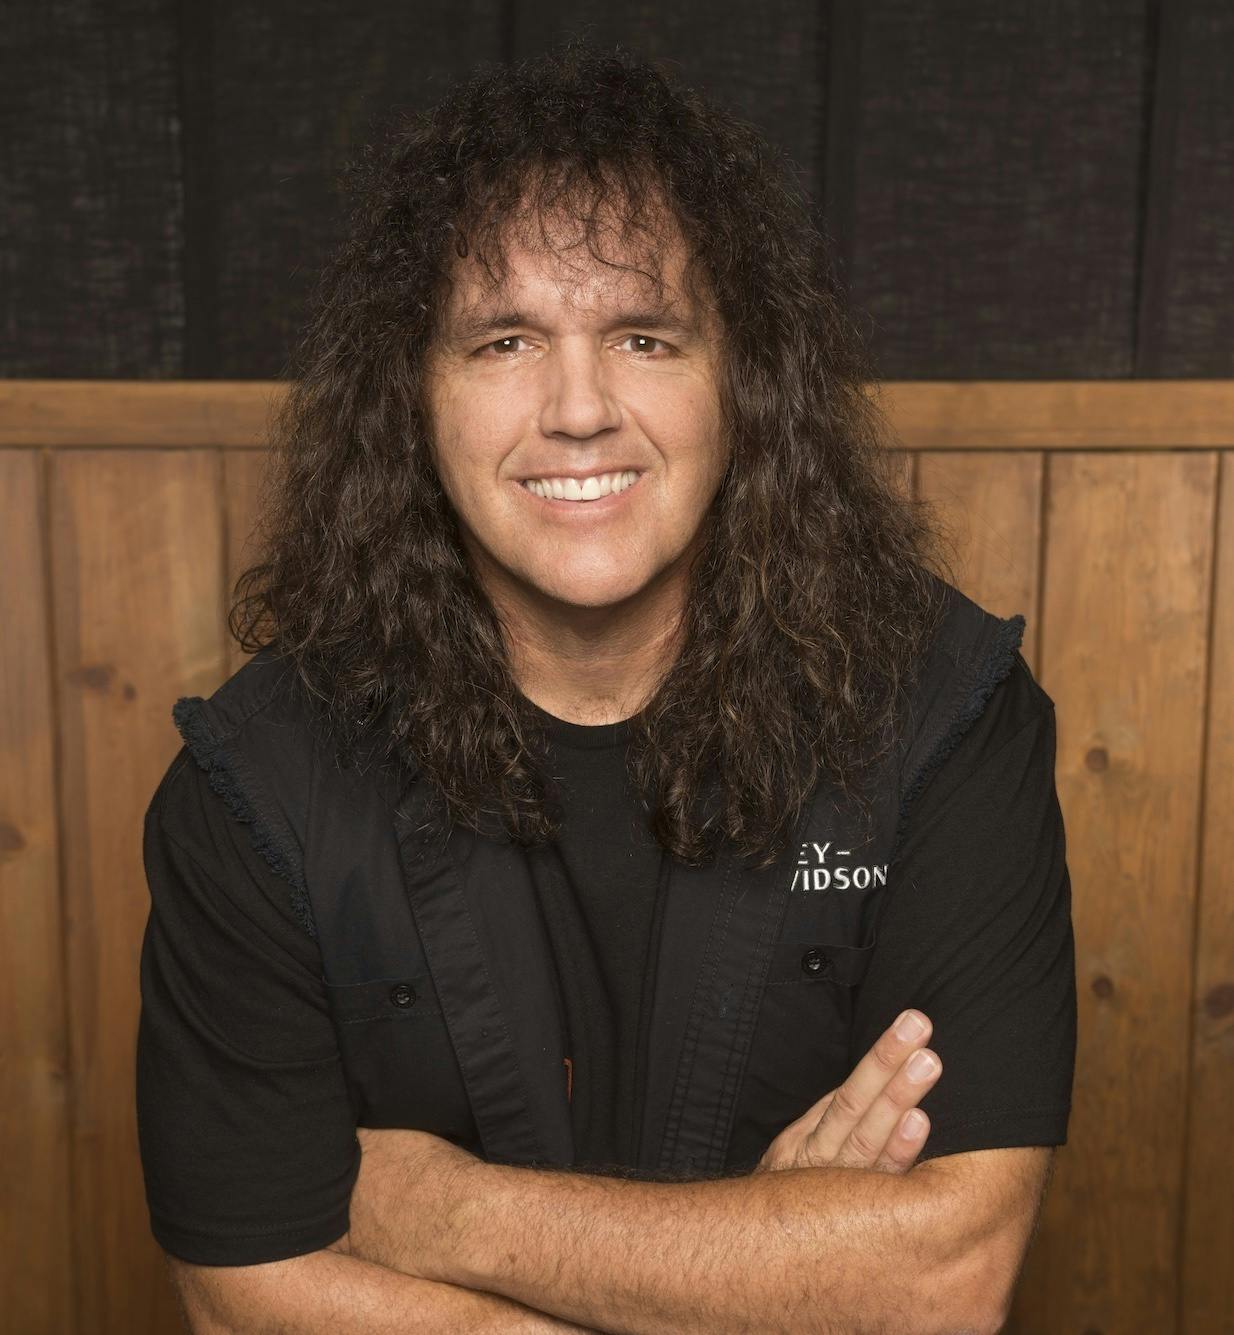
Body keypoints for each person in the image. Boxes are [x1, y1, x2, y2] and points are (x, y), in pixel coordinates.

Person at [136, 37, 1076, 1334]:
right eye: (502, 341)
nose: (578, 408)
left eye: (644, 336)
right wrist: (775, 1277)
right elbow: (244, 1295)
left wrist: (440, 1209)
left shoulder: (941, 714)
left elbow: (941, 1281)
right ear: (412, 398)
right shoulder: (259, 780)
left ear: (743, 382)